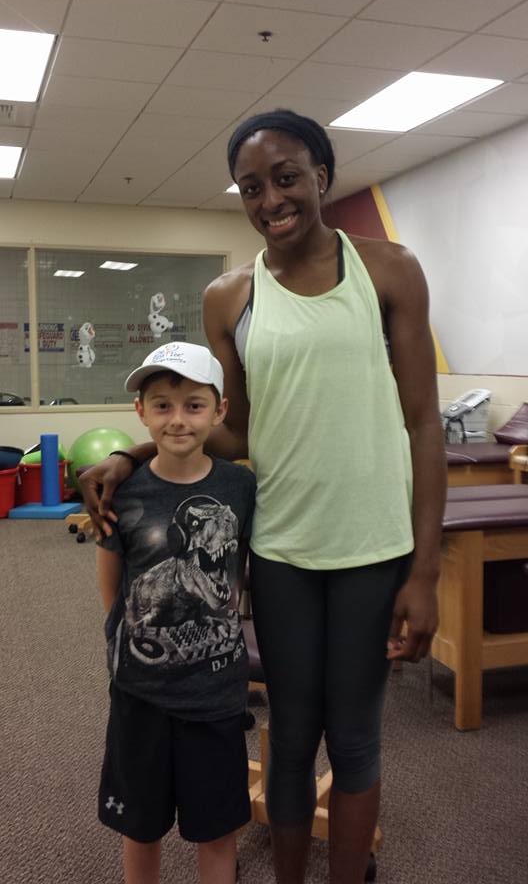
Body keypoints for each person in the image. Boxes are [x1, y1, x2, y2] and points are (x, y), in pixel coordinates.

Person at [81, 109, 446, 884]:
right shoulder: (230, 296)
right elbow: (232, 428)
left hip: (374, 547)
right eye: (251, 187)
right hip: (279, 547)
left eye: (286, 178)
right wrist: (133, 450)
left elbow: (422, 423)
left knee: (353, 738)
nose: (270, 198)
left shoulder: (389, 270)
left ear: (321, 176)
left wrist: (425, 571)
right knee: (291, 731)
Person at [95, 341, 256, 884]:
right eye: (161, 405)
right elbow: (112, 588)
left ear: (220, 411)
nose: (178, 419)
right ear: (141, 413)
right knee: (140, 829)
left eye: (193, 404)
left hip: (216, 696)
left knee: (217, 831)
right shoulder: (121, 492)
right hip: (141, 694)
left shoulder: (240, 487)